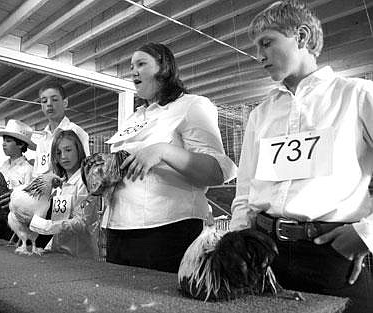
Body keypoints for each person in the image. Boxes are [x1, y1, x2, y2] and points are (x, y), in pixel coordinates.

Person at [229, 1, 373, 312]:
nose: (259, 56)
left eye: (267, 43)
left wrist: (366, 233)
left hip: (334, 253)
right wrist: (238, 239)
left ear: (302, 36)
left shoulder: (357, 95)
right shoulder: (260, 114)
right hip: (264, 252)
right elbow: (246, 188)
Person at [104, 42, 237, 273]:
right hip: (119, 227)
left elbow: (217, 171)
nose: (133, 71)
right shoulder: (135, 117)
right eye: (131, 66)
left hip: (166, 230)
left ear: (164, 69)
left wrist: (163, 151)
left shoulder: (192, 106)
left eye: (142, 64)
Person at [27, 129, 100, 259]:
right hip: (59, 252)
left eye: (68, 150)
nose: (63, 157)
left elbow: (83, 222)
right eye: (58, 153)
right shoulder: (59, 183)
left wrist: (49, 227)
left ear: (78, 149)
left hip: (81, 255)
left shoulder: (87, 181)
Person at [0, 119, 36, 240]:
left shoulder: (29, 170)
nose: (3, 144)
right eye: (3, 141)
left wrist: (16, 196)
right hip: (1, 221)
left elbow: (31, 201)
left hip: (18, 225)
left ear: (21, 144)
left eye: (8, 141)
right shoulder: (2, 167)